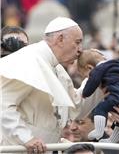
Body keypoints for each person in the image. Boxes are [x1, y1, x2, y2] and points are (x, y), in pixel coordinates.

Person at [0, 17, 83, 153]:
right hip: (19, 149)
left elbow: (76, 106)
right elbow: (2, 104)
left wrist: (97, 80)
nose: (80, 49)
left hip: (47, 148)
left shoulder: (58, 68)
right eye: (77, 42)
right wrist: (26, 138)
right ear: (60, 39)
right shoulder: (28, 61)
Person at [77, 49, 119, 143]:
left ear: (90, 68)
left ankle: (99, 131)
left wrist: (85, 93)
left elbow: (93, 81)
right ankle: (112, 140)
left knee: (100, 108)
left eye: (86, 76)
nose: (87, 78)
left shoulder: (99, 68)